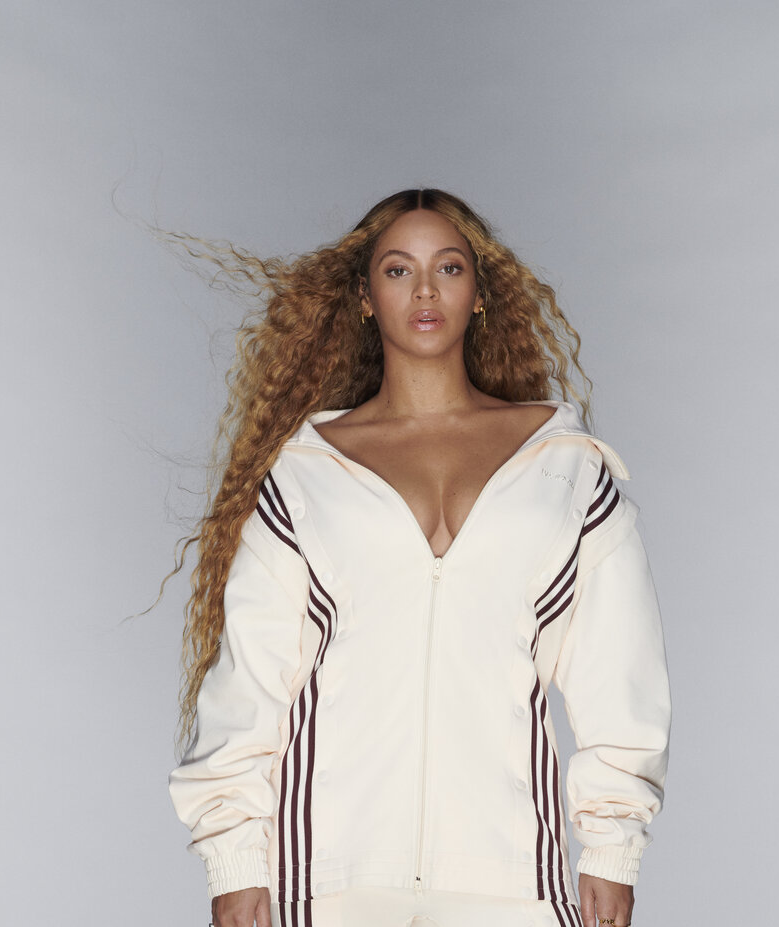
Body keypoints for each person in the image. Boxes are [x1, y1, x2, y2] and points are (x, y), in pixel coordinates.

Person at [166, 189, 671, 927]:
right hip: (332, 879)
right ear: (365, 298)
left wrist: (612, 847)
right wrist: (234, 862)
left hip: (510, 880)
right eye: (398, 270)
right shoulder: (308, 473)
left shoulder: (563, 468)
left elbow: (620, 669)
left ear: (480, 293)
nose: (425, 290)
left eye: (449, 267)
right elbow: (250, 683)